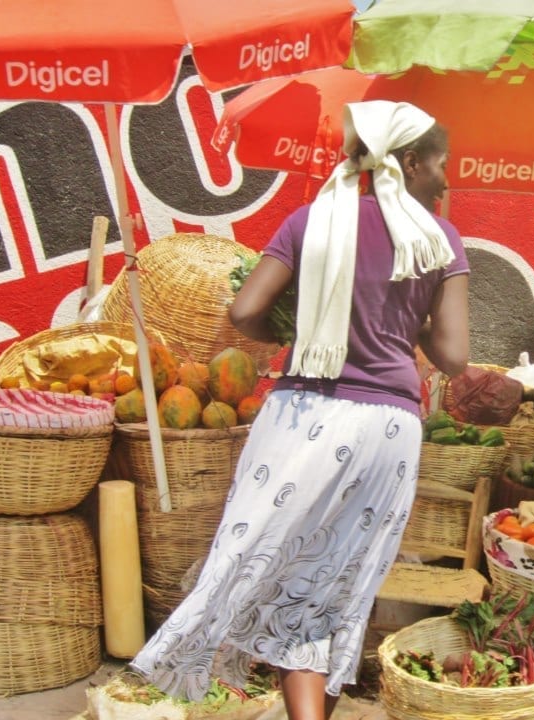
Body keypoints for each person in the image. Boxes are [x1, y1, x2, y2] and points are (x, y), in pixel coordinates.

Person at [128, 100, 470, 720]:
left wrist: (299, 326)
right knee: (343, 585)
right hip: (387, 427)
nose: (449, 178)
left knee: (278, 575)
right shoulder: (437, 239)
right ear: (412, 162)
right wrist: (407, 323)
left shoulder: (311, 221)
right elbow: (453, 356)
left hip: (299, 419)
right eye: (443, 164)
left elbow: (243, 312)